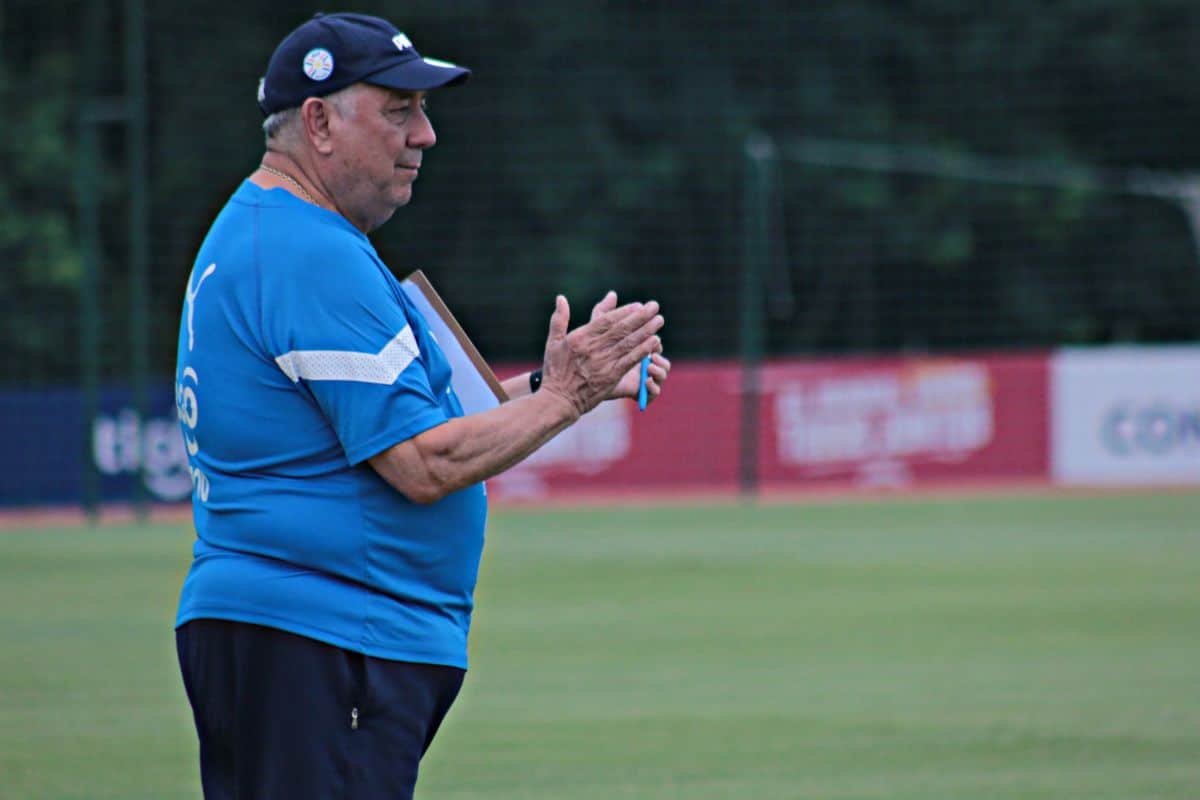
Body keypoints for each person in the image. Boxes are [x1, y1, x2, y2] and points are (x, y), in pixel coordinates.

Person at [172, 11, 670, 800]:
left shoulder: (279, 233)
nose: (425, 135)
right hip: (324, 637)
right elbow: (422, 464)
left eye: (423, 111)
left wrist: (548, 391)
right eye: (398, 110)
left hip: (306, 638)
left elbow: (427, 423)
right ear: (319, 122)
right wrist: (565, 397)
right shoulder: (309, 252)